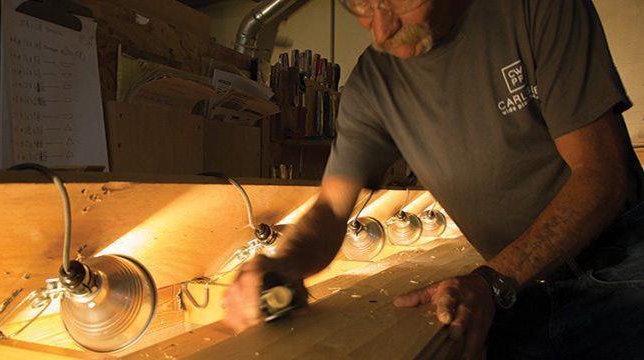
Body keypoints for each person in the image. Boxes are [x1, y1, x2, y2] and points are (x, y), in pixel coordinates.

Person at [222, 0, 644, 358]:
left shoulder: (536, 9)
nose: (382, 29)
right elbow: (332, 209)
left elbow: (602, 176)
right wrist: (285, 263)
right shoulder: (373, 81)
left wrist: (493, 280)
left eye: (397, 2)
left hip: (618, 270)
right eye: (363, 7)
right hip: (516, 288)